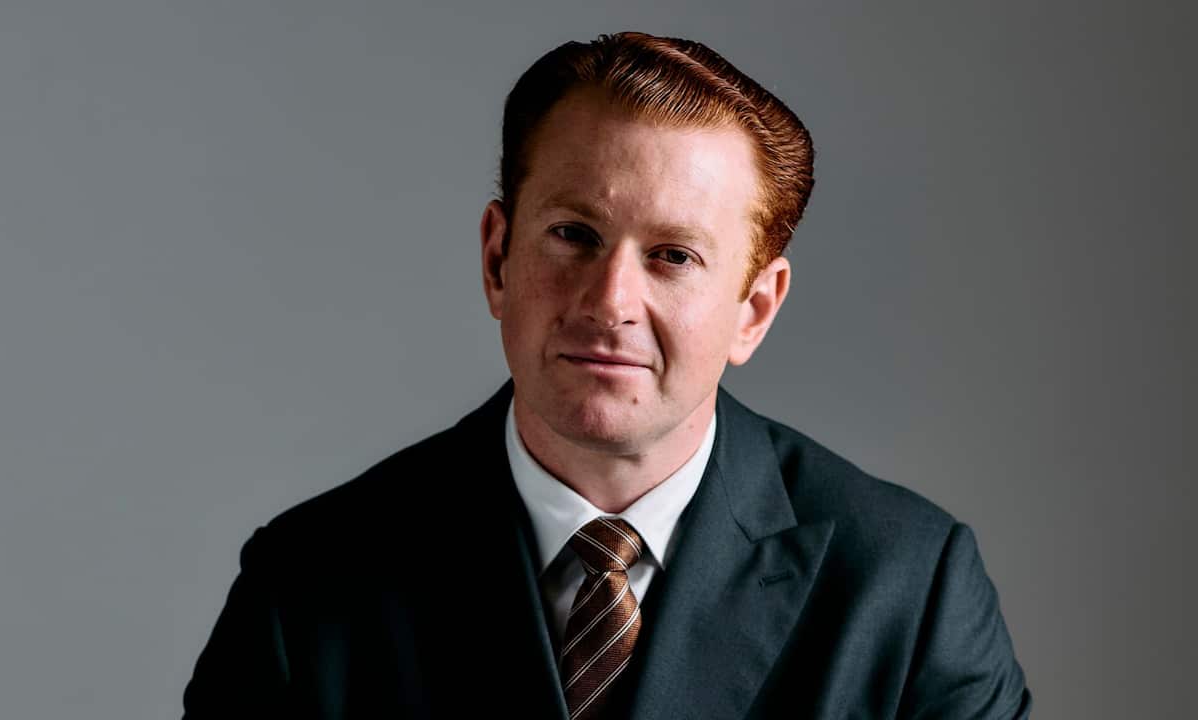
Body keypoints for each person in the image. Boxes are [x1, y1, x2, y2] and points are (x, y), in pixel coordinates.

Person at [182, 31, 1032, 719]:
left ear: (754, 309)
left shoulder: (907, 587)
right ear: (496, 259)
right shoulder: (307, 584)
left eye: (673, 256)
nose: (610, 301)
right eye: (574, 236)